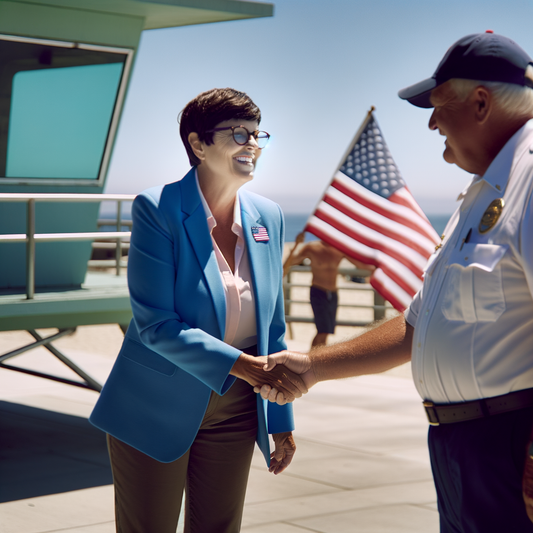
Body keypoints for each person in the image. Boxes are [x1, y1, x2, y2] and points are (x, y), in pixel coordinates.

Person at [256, 32, 533, 532]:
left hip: (511, 450)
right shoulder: (481, 193)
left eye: (436, 104)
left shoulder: (528, 183)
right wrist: (313, 366)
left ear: (481, 102)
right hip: (460, 449)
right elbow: (418, 324)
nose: (430, 121)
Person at [90, 88, 307, 533]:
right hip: (154, 401)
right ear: (198, 144)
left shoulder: (269, 216)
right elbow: (156, 326)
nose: (252, 144)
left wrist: (280, 417)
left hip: (240, 405)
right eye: (238, 133)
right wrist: (245, 367)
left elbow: (274, 328)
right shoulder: (158, 209)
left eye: (257, 134)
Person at [283, 235, 373, 346]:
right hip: (318, 292)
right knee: (322, 331)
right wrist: (297, 244)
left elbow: (361, 265)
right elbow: (289, 263)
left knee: (326, 333)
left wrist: (379, 268)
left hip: (333, 294)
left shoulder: (339, 249)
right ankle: (313, 359)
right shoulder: (312, 247)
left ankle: (318, 360)